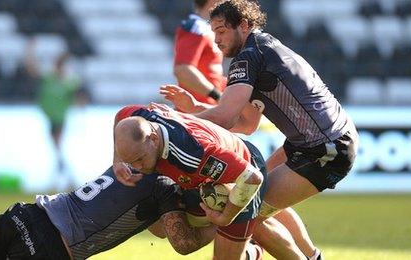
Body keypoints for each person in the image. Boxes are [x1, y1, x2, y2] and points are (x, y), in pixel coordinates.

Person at [161, 1, 358, 258]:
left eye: (221, 31)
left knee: (246, 211)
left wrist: (175, 121)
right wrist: (195, 106)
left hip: (325, 149)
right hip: (313, 142)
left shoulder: (249, 56)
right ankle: (309, 256)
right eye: (213, 32)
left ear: (243, 25)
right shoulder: (262, 47)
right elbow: (246, 124)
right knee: (253, 198)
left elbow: (225, 115)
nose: (216, 39)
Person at [0, 166, 221, 260]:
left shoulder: (136, 161)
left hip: (27, 215)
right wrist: (218, 227)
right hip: (52, 247)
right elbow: (181, 243)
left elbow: (158, 230)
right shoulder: (167, 186)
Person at [112, 103, 307, 260]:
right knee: (165, 229)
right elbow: (121, 117)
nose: (136, 166)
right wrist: (118, 161)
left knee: (229, 250)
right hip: (206, 181)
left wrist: (226, 217)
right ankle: (251, 252)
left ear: (154, 139)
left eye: (139, 159)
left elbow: (251, 178)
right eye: (132, 161)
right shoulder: (138, 118)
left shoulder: (193, 154)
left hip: (243, 174)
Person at [24, 38, 87, 191]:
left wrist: (79, 103)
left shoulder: (69, 81)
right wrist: (30, 51)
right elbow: (32, 69)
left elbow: (80, 98)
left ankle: (66, 180)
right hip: (51, 118)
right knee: (57, 150)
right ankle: (67, 180)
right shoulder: (50, 78)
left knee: (57, 148)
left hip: (59, 119)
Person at [173, 0, 226, 104]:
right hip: (196, 110)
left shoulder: (208, 28)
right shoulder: (197, 27)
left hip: (207, 108)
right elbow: (183, 70)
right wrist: (218, 96)